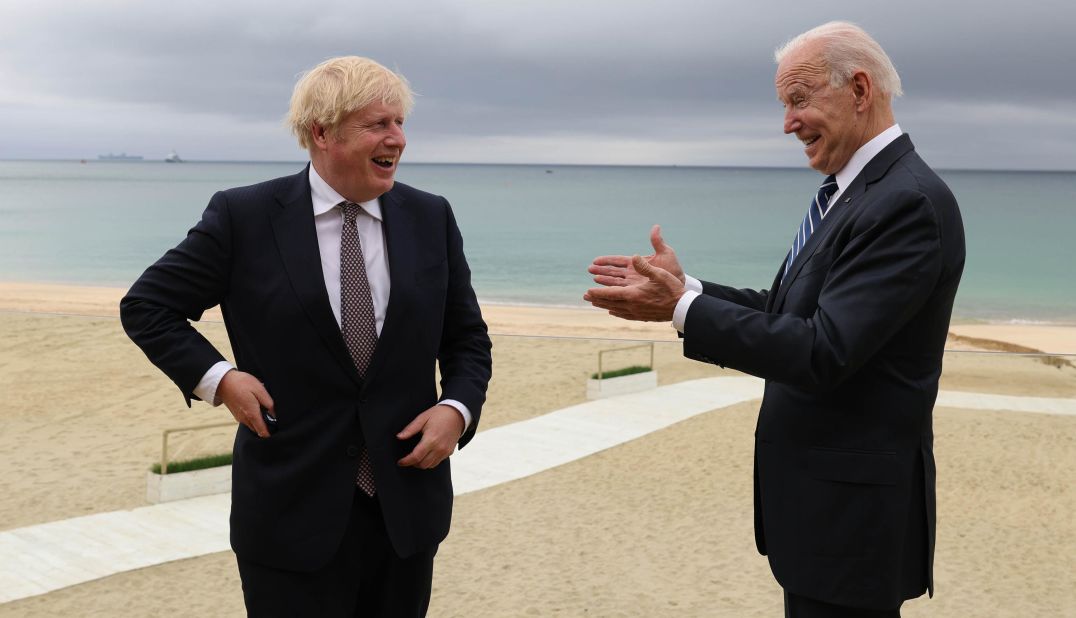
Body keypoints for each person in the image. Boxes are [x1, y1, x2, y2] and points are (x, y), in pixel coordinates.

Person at [585, 22, 964, 617]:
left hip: (852, 525)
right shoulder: (855, 190)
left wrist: (682, 312)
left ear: (860, 89)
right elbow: (788, 309)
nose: (788, 122)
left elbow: (823, 350)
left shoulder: (905, 202)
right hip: (820, 515)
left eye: (799, 100)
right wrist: (686, 289)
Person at [121, 56, 492, 617]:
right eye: (379, 125)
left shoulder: (431, 216)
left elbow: (466, 339)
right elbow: (147, 306)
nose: (398, 139)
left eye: (400, 123)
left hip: (406, 511)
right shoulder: (242, 216)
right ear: (321, 133)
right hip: (287, 513)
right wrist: (220, 380)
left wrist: (457, 409)